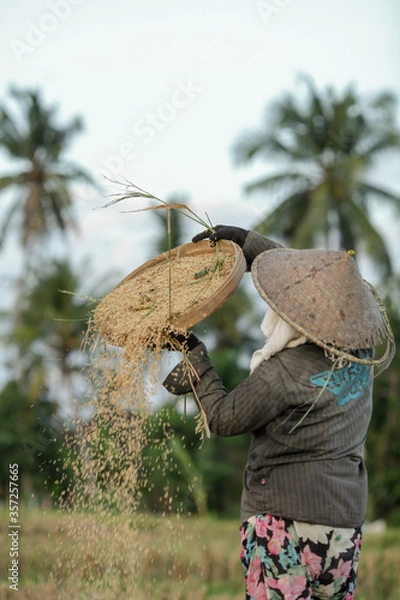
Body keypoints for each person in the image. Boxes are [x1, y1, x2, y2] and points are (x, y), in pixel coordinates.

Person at [162, 225, 395, 600]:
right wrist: (249, 244)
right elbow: (314, 283)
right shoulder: (361, 358)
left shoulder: (283, 371)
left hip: (283, 523)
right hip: (343, 531)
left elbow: (222, 418)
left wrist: (196, 357)